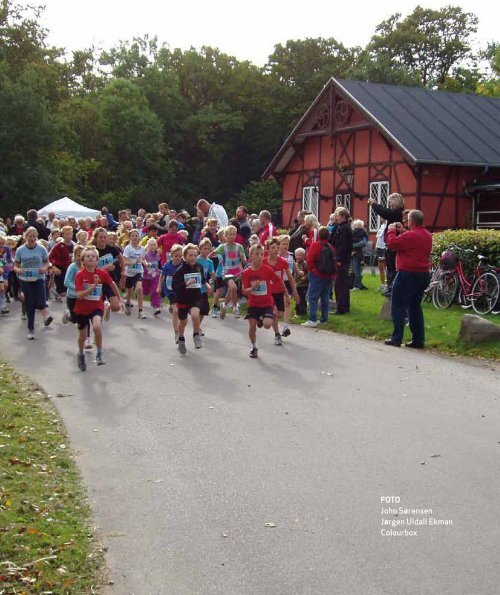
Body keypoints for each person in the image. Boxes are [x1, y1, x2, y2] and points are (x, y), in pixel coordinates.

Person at [384, 210, 432, 349]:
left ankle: (396, 337)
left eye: (407, 220)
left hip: (408, 273)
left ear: (412, 221)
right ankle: (418, 339)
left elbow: (393, 243)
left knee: (398, 304)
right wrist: (404, 231)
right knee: (415, 306)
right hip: (423, 274)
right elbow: (411, 241)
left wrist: (392, 231)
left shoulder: (411, 235)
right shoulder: (427, 235)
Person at [74, 247, 122, 370]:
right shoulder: (80, 275)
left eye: (93, 256)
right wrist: (94, 286)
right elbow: (79, 295)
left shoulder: (102, 273)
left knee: (96, 327)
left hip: (96, 306)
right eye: (87, 256)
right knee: (82, 337)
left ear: (97, 261)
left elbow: (112, 284)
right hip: (82, 308)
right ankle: (81, 353)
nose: (90, 258)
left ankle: (100, 353)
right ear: (83, 261)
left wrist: (120, 299)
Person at [242, 244, 286, 358]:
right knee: (252, 327)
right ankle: (254, 347)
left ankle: (261, 318)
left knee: (267, 325)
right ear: (250, 256)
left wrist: (285, 294)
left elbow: (279, 281)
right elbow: (244, 291)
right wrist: (252, 288)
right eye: (257, 254)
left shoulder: (268, 270)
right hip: (253, 303)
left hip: (266, 303)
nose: (260, 257)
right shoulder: (246, 273)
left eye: (261, 254)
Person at [13, 227, 53, 339]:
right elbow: (15, 265)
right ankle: (31, 330)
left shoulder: (41, 249)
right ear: (26, 237)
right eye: (30, 236)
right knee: (29, 305)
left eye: (34, 236)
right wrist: (18, 270)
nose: (32, 238)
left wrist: (45, 268)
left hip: (39, 279)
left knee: (41, 301)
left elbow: (47, 262)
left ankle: (45, 315)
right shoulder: (20, 250)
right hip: (25, 280)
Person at [172, 243, 211, 354]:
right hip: (183, 298)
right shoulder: (180, 271)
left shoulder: (199, 267)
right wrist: (186, 283)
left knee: (195, 315)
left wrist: (207, 285)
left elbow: (203, 279)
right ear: (185, 256)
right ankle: (181, 338)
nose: (193, 257)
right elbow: (175, 286)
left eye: (195, 255)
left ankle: (196, 335)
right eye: (190, 255)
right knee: (183, 322)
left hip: (195, 297)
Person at [368, 193, 404, 296]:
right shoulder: (395, 213)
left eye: (391, 202)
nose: (390, 205)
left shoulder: (397, 213)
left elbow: (384, 212)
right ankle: (390, 288)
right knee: (390, 268)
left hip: (394, 246)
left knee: (393, 268)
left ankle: (393, 289)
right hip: (389, 245)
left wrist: (374, 204)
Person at [265, 237, 300, 344]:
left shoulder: (282, 262)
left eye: (276, 247)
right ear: (268, 249)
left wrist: (295, 292)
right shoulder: (264, 262)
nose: (276, 250)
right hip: (268, 292)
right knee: (274, 313)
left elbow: (290, 277)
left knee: (280, 314)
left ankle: (277, 322)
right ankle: (277, 335)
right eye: (273, 247)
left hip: (280, 290)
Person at [301, 226, 335, 328]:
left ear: (319, 235)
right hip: (329, 275)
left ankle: (312, 319)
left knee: (312, 297)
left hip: (317, 274)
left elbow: (310, 260)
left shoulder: (315, 245)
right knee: (325, 297)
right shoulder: (331, 247)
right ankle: (324, 319)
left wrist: (311, 270)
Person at [211, 225, 246, 320]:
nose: (232, 236)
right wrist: (210, 256)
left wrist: (243, 258)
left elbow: (244, 260)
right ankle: (235, 308)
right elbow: (213, 253)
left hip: (237, 272)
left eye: (234, 234)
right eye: (230, 234)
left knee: (231, 291)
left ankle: (224, 305)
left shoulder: (239, 247)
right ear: (225, 236)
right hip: (226, 272)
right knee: (233, 288)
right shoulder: (223, 247)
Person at [158, 244, 183, 344]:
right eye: (175, 256)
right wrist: (159, 286)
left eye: (179, 256)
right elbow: (162, 276)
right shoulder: (167, 266)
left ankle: (172, 307)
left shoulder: (183, 266)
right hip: (171, 290)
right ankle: (176, 332)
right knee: (176, 311)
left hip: (181, 291)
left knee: (180, 311)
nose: (177, 258)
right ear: (171, 256)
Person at [330, 207, 353, 315]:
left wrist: (338, 259)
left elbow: (342, 245)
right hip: (344, 259)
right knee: (342, 284)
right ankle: (345, 307)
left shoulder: (344, 228)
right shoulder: (342, 227)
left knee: (339, 284)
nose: (336, 217)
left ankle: (341, 308)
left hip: (342, 260)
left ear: (343, 216)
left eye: (338, 215)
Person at [123, 229, 147, 318]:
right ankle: (128, 303)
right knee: (130, 292)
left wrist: (146, 263)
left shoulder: (143, 249)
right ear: (129, 238)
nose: (134, 237)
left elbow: (142, 259)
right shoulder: (128, 248)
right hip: (129, 273)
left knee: (139, 289)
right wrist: (133, 262)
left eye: (136, 236)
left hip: (138, 272)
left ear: (139, 237)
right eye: (132, 236)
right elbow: (124, 262)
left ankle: (140, 311)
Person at [49, 225, 75, 301]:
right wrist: (54, 267)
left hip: (71, 270)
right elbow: (49, 258)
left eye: (70, 234)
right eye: (66, 234)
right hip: (60, 270)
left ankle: (68, 309)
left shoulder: (74, 245)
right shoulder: (58, 246)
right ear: (62, 235)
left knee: (70, 292)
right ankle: (57, 291)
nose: (69, 236)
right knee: (63, 293)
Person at [142, 238, 162, 316]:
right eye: (151, 245)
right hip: (146, 277)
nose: (153, 246)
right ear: (148, 246)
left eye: (154, 245)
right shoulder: (146, 255)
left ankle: (156, 307)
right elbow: (143, 261)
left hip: (155, 276)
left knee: (155, 291)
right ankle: (140, 294)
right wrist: (146, 265)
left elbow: (158, 263)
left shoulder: (157, 255)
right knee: (145, 292)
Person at [351, 219, 368, 290]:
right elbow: (364, 242)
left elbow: (363, 243)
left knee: (356, 270)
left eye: (354, 225)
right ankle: (359, 284)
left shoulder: (354, 233)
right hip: (360, 254)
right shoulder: (363, 233)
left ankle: (357, 286)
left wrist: (353, 245)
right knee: (358, 270)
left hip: (356, 254)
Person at [293, 247, 309, 317]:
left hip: (303, 285)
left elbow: (309, 272)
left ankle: (302, 312)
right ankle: (297, 311)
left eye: (300, 255)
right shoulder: (295, 264)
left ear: (303, 256)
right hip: (297, 284)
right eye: (297, 255)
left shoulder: (305, 264)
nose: (298, 257)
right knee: (297, 298)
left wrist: (305, 277)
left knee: (302, 299)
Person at [375, 220, 388, 292]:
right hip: (379, 247)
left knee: (386, 267)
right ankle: (382, 284)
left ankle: (387, 284)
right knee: (380, 267)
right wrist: (376, 246)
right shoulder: (382, 225)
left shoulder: (388, 225)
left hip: (384, 247)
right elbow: (379, 237)